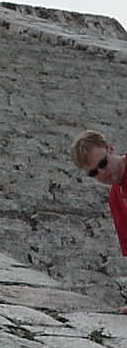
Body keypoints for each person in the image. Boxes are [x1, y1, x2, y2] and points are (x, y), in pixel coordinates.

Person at [71, 130, 127, 313]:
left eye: (103, 163)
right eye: (94, 172)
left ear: (110, 149)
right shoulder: (115, 197)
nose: (103, 173)